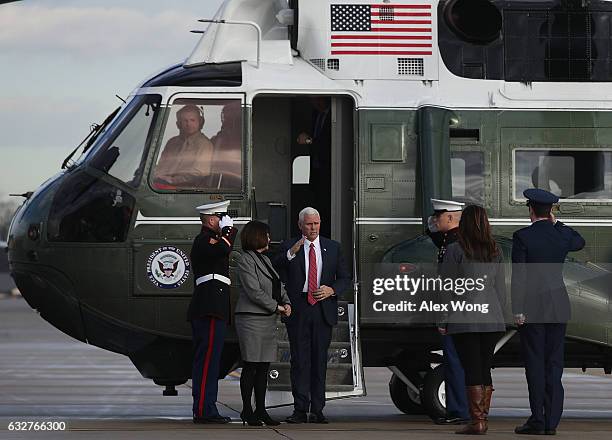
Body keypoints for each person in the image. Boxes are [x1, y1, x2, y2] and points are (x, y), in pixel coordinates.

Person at [512, 189, 585, 435]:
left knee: (535, 364)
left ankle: (538, 420)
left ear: (530, 209)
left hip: (532, 307)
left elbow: (519, 277)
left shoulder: (522, 236)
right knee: (554, 364)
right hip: (558, 305)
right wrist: (559, 223)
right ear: (550, 211)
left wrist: (518, 309)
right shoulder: (561, 236)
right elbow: (579, 241)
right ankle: (552, 422)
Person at [272, 207, 350, 423]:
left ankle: (317, 409)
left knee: (319, 361)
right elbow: (274, 266)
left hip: (322, 309)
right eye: (309, 224)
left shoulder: (333, 247)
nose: (313, 228)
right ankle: (299, 409)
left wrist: (332, 290)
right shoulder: (289, 246)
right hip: (299, 309)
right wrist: (291, 254)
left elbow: (345, 277)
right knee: (299, 361)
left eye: (316, 223)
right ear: (300, 225)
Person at [438, 205, 507, 435]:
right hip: (492, 317)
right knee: (485, 368)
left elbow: (446, 288)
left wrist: (442, 318)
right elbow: (499, 288)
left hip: (464, 316)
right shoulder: (495, 250)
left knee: (471, 369)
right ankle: (482, 419)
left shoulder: (455, 250)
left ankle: (477, 421)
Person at [235, 220, 291, 426]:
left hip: (267, 320)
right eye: (266, 234)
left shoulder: (266, 260)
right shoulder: (245, 260)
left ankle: (261, 410)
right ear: (256, 236)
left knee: (263, 367)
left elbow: (278, 284)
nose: (269, 238)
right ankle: (247, 410)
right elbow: (253, 291)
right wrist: (277, 307)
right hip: (251, 319)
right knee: (251, 365)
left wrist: (287, 302)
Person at [187, 200, 237, 424]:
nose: (223, 221)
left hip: (213, 309)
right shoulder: (204, 240)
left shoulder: (212, 240)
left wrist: (225, 231)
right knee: (207, 361)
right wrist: (228, 230)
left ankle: (206, 407)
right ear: (210, 219)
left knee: (210, 361)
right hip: (208, 308)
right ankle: (204, 410)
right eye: (220, 217)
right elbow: (223, 248)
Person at [425, 198, 470, 425]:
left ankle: (460, 411)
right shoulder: (452, 240)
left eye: (439, 216)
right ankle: (459, 409)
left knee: (455, 362)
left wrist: (443, 316)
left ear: (451, 217)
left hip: (455, 313)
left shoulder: (455, 245)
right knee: (456, 363)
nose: (435, 219)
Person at [153, 104, 214, 188]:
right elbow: (161, 167)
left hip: (185, 190)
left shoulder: (204, 145)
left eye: (192, 120)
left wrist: (173, 180)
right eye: (185, 121)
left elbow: (198, 174)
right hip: (161, 186)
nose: (188, 124)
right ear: (178, 124)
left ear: (200, 122)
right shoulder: (172, 143)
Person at [297, 97, 331, 237]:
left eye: (317, 100)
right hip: (317, 170)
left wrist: (310, 141)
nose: (314, 103)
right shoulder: (316, 115)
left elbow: (330, 142)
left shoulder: (332, 116)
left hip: (329, 172)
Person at [210, 101, 242, 190]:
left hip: (236, 183)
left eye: (230, 117)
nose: (226, 120)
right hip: (218, 181)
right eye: (226, 116)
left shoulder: (242, 138)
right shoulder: (218, 139)